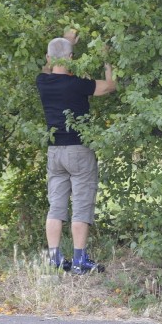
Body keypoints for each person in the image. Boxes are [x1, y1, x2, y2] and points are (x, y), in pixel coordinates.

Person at [36, 33, 116, 275]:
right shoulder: (78, 84)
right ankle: (80, 260)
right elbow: (110, 86)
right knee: (81, 204)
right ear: (72, 58)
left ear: (49, 57)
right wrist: (107, 60)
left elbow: (49, 65)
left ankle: (54, 258)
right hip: (79, 150)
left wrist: (66, 41)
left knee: (56, 206)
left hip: (54, 152)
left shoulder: (43, 81)